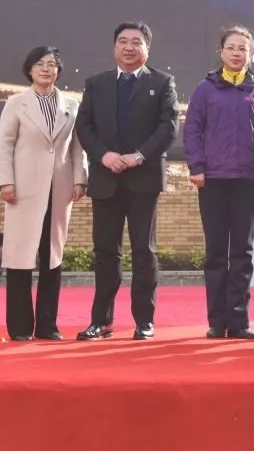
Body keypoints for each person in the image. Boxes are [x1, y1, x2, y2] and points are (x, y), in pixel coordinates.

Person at [75, 22, 178, 341]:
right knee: (105, 252)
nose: (129, 47)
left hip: (143, 179)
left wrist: (139, 156)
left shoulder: (162, 82)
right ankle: (101, 321)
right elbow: (84, 126)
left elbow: (168, 127)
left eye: (136, 42)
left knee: (144, 251)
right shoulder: (96, 83)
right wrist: (103, 155)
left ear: (147, 48)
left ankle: (144, 320)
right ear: (114, 46)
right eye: (123, 41)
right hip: (106, 179)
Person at [0, 47, 87, 341]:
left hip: (59, 189)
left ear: (59, 70)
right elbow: (5, 145)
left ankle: (47, 326)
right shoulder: (15, 103)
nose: (46, 69)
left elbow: (78, 148)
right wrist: (6, 182)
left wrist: (80, 179)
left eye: (52, 64)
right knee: (20, 256)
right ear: (29, 70)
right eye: (40, 64)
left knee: (52, 257)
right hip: (23, 190)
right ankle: (20, 327)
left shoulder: (72, 105)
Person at [183, 26, 254, 340]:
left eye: (242, 48)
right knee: (217, 251)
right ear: (220, 51)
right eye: (231, 47)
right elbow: (192, 130)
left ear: (251, 53)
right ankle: (217, 321)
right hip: (213, 180)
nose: (236, 53)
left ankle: (239, 319)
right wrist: (197, 166)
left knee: (243, 252)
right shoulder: (205, 89)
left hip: (247, 180)